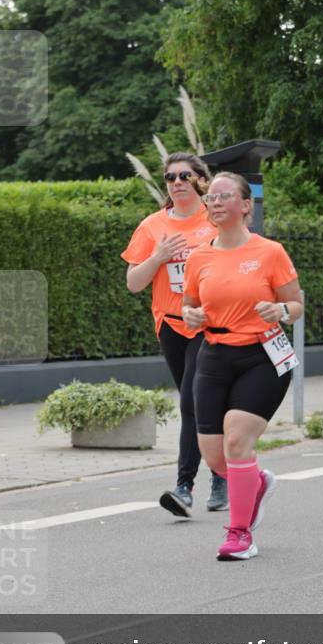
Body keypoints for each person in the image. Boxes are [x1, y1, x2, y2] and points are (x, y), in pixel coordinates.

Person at [182, 171, 304, 560]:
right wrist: (192, 317)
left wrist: (280, 309)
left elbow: (296, 306)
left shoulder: (270, 252)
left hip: (263, 353)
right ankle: (256, 482)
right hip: (214, 353)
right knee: (215, 456)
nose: (214, 202)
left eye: (223, 196)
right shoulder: (198, 256)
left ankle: (240, 534)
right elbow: (188, 306)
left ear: (246, 205)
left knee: (236, 438)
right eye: (210, 198)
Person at [121, 152, 228, 517]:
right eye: (170, 177)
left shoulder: (215, 223)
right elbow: (134, 283)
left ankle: (185, 487)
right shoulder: (152, 226)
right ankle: (221, 471)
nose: (177, 182)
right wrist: (159, 256)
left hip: (208, 323)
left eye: (185, 175)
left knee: (192, 402)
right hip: (170, 323)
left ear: (200, 179)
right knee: (198, 401)